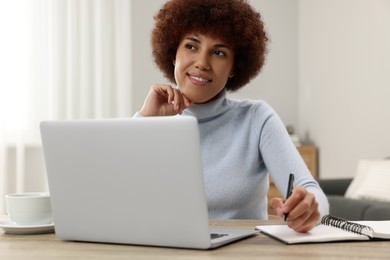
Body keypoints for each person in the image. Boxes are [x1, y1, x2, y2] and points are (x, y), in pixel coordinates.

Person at [134, 0, 329, 232]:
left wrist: (309, 207)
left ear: (234, 66)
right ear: (173, 54)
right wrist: (145, 122)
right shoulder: (152, 120)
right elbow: (115, 194)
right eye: (191, 46)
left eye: (218, 52)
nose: (202, 63)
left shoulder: (256, 118)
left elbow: (311, 190)